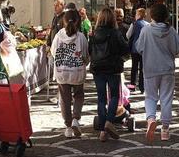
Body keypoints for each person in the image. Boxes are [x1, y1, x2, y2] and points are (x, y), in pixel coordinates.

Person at [136, 3, 179, 143]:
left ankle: (151, 119)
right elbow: (178, 48)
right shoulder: (171, 31)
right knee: (166, 98)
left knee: (150, 97)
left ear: (152, 15)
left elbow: (138, 48)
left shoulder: (146, 30)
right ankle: (165, 130)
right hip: (167, 70)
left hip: (150, 69)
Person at [89, 7, 131, 141]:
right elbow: (125, 49)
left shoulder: (94, 34)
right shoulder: (115, 33)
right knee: (114, 96)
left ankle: (102, 130)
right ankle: (109, 122)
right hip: (113, 68)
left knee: (101, 98)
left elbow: (90, 51)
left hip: (98, 69)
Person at [51, 9, 89, 138]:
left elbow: (53, 52)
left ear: (64, 21)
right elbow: (85, 55)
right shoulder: (81, 37)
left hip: (62, 72)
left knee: (65, 100)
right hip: (77, 72)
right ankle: (75, 119)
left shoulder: (58, 36)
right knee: (78, 95)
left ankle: (68, 127)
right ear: (78, 21)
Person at [126, 8, 148, 93]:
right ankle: (142, 87)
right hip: (144, 49)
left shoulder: (134, 24)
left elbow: (128, 35)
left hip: (135, 49)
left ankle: (132, 85)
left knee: (134, 68)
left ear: (138, 15)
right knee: (142, 68)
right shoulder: (147, 24)